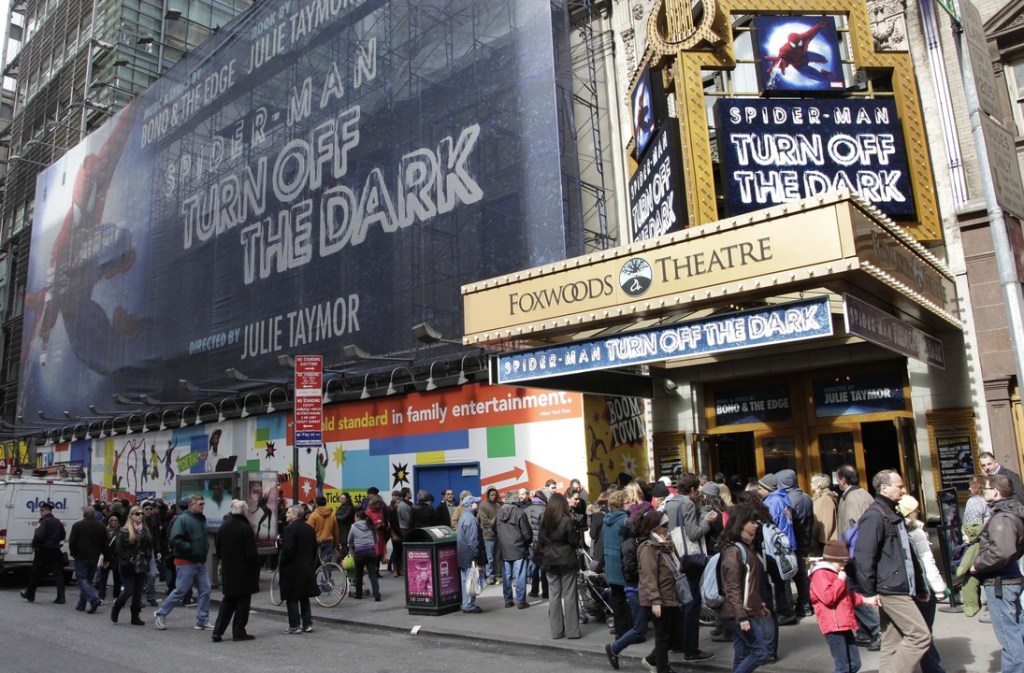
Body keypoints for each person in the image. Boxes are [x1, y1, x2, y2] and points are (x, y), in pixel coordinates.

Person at [852, 470, 930, 673]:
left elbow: (906, 553)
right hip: (891, 587)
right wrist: (868, 592)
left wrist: (919, 585)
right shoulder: (875, 515)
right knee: (920, 636)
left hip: (899, 584)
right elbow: (864, 555)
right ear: (884, 487)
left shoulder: (891, 512)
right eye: (900, 486)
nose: (904, 490)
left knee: (891, 640)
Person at [969, 474, 1024, 673]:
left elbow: (1003, 551)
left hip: (1001, 581)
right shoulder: (1010, 511)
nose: (982, 491)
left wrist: (977, 565)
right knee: (1016, 630)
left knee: (1009, 637)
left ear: (995, 491)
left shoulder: (1003, 517)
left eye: (985, 488)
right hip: (1008, 578)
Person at [662, 474, 716, 663]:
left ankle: (678, 643)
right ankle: (691, 649)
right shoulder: (688, 504)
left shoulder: (670, 503)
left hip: (677, 556)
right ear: (692, 490)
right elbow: (694, 533)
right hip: (691, 558)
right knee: (692, 603)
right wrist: (707, 521)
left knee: (683, 602)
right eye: (697, 490)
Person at [896, 495, 948, 673]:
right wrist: (939, 588)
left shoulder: (896, 530)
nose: (919, 511)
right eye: (916, 508)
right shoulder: (916, 532)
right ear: (910, 512)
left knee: (916, 632)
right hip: (922, 587)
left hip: (904, 587)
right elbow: (927, 562)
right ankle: (933, 669)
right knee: (924, 632)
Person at [720, 505, 772, 673]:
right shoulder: (734, 550)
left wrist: (759, 606)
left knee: (742, 654)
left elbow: (748, 585)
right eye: (752, 522)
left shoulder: (745, 547)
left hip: (744, 611)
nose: (756, 525)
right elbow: (732, 587)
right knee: (761, 652)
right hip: (739, 613)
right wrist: (741, 617)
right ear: (741, 524)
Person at [835, 464, 880, 650]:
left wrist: (841, 548)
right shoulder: (864, 494)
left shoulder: (852, 498)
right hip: (862, 552)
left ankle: (876, 630)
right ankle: (864, 631)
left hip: (855, 554)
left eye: (838, 478)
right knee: (857, 591)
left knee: (854, 593)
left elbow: (852, 528)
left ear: (843, 480)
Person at [605, 502, 654, 670]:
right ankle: (615, 648)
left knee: (662, 629)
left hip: (642, 590)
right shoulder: (631, 545)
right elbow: (630, 572)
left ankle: (656, 660)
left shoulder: (642, 542)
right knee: (640, 629)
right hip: (637, 591)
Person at [154, 494, 213, 631]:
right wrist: (190, 548)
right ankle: (161, 613)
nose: (203, 506)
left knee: (205, 590)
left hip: (199, 561)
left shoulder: (199, 519)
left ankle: (202, 620)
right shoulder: (184, 519)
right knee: (181, 590)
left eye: (203, 504)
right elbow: (175, 538)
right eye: (200, 504)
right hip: (186, 561)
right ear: (191, 504)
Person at [636, 510, 682, 673]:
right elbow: (649, 576)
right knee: (663, 637)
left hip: (669, 596)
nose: (667, 529)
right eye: (664, 526)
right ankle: (662, 668)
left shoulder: (662, 545)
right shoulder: (649, 549)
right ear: (655, 528)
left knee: (673, 635)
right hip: (659, 599)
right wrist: (655, 601)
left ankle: (651, 660)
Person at [809, 540, 862, 673]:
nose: (842, 567)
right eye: (841, 563)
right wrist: (840, 580)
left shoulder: (834, 573)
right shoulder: (820, 574)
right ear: (831, 560)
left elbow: (845, 597)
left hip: (843, 623)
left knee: (855, 663)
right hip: (833, 626)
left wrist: (864, 600)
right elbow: (828, 597)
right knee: (842, 667)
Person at [212, 499, 260, 642]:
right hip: (244, 570)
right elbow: (251, 553)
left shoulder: (223, 527)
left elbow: (218, 548)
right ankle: (238, 631)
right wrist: (255, 565)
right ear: (244, 511)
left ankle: (217, 631)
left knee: (227, 601)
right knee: (243, 602)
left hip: (228, 570)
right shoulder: (245, 528)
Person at [537, 492, 581, 639]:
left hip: (549, 560)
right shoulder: (567, 521)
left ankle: (556, 631)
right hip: (567, 559)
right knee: (569, 595)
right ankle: (572, 631)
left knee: (554, 596)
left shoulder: (544, 521)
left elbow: (540, 541)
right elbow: (574, 541)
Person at [110, 505, 153, 625]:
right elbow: (118, 548)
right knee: (129, 590)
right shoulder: (124, 531)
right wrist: (127, 558)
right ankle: (116, 607)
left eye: (141, 514)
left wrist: (148, 557)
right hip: (128, 565)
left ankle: (135, 616)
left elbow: (149, 547)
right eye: (137, 514)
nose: (140, 516)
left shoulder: (145, 530)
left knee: (138, 592)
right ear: (131, 516)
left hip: (142, 564)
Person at [280, 504, 319, 632]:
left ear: (296, 515)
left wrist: (283, 561)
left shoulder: (290, 529)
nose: (286, 514)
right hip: (306, 566)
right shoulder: (309, 528)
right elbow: (314, 548)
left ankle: (294, 625)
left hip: (292, 567)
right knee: (304, 596)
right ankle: (307, 624)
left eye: (289, 512)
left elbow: (288, 550)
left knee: (291, 597)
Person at [601, 489, 633, 637]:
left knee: (617, 598)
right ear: (620, 504)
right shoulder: (624, 520)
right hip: (623, 563)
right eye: (627, 502)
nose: (630, 504)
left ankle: (621, 631)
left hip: (611, 564)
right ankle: (630, 630)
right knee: (628, 598)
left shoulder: (606, 519)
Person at [21, 501, 66, 604]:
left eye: (42, 510)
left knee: (36, 573)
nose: (40, 512)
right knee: (58, 574)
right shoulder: (57, 521)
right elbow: (63, 535)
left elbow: (39, 536)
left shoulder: (44, 522)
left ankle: (30, 595)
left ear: (48, 510)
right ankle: (61, 597)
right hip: (55, 550)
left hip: (43, 551)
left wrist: (34, 544)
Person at [495, 488, 532, 609]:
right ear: (515, 500)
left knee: (507, 576)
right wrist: (527, 542)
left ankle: (508, 600)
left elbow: (493, 528)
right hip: (518, 547)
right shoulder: (519, 512)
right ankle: (521, 601)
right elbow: (527, 533)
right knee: (520, 575)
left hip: (504, 548)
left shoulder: (499, 512)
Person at [69, 505, 108, 613]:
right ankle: (81, 604)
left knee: (82, 579)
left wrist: (73, 553)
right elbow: (105, 544)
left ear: (84, 514)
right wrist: (106, 557)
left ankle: (93, 599)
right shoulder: (101, 526)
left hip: (81, 556)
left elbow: (72, 541)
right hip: (94, 556)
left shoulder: (78, 525)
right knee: (88, 581)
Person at [456, 495, 487, 613]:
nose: (477, 504)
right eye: (475, 503)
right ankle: (469, 605)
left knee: (466, 581)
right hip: (469, 556)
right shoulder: (470, 519)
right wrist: (476, 556)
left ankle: (466, 604)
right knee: (471, 581)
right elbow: (473, 540)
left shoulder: (464, 516)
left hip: (463, 555)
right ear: (470, 505)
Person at [347, 509, 381, 601]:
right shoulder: (370, 525)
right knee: (372, 574)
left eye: (355, 517)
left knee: (358, 573)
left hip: (359, 553)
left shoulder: (354, 526)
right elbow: (376, 539)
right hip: (371, 552)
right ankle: (377, 594)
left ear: (358, 517)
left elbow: (349, 540)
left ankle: (359, 594)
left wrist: (352, 547)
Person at [525, 489, 549, 598]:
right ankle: (545, 592)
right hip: (541, 542)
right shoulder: (544, 510)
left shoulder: (527, 509)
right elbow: (545, 528)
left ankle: (534, 591)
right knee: (543, 567)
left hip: (531, 542)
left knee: (534, 566)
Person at [306, 496, 340, 567]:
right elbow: (336, 531)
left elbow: (309, 531)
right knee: (327, 563)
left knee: (314, 562)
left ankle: (313, 577)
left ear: (316, 504)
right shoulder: (332, 515)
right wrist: (336, 543)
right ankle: (327, 578)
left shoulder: (313, 515)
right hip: (328, 541)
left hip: (316, 542)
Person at [810, 473, 839, 557]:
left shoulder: (826, 499)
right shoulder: (818, 499)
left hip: (824, 545)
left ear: (818, 485)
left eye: (812, 482)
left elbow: (827, 523)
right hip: (817, 542)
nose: (810, 484)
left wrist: (823, 542)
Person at [95, 514, 122, 602]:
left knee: (117, 578)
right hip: (106, 556)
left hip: (116, 557)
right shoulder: (104, 531)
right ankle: (101, 597)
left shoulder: (120, 532)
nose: (113, 522)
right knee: (103, 578)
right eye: (112, 520)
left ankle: (116, 596)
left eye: (115, 520)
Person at [479, 487, 500, 585]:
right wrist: (494, 521)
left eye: (495, 495)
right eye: (491, 495)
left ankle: (494, 575)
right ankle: (489, 576)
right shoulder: (483, 505)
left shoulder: (497, 504)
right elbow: (484, 521)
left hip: (497, 535)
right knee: (490, 557)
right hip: (488, 535)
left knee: (496, 557)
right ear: (488, 495)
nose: (493, 496)